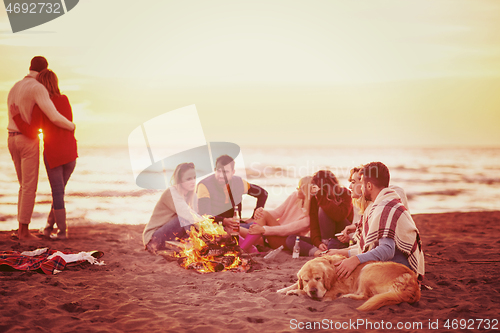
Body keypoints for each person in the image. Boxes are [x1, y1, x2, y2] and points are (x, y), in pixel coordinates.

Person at [6, 56, 75, 240]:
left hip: (11, 137)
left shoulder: (15, 87)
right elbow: (53, 116)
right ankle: (24, 231)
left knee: (23, 186)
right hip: (29, 140)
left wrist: (17, 118)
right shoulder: (39, 88)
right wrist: (71, 126)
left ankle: (28, 227)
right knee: (30, 187)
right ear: (44, 71)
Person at [330, 162, 425, 281]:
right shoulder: (386, 201)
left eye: (363, 184)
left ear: (369, 186)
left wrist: (355, 259)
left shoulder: (385, 207)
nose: (362, 189)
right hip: (397, 266)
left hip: (400, 271)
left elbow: (387, 250)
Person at [286, 170, 353, 256]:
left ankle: (328, 246)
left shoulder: (345, 193)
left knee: (323, 209)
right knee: (291, 239)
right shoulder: (315, 198)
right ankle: (319, 252)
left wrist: (322, 196)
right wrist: (318, 243)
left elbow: (340, 216)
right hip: (323, 240)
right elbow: (314, 226)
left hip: (340, 237)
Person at [196, 155, 268, 233]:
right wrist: (224, 221)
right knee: (256, 233)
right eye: (219, 171)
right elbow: (205, 214)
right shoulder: (204, 185)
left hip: (237, 226)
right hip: (214, 228)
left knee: (264, 223)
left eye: (225, 172)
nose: (221, 175)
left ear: (233, 172)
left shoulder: (240, 183)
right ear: (214, 170)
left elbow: (263, 194)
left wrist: (254, 217)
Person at [143, 163, 203, 253]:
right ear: (180, 180)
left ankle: (192, 245)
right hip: (154, 240)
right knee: (185, 217)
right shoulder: (171, 192)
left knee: (192, 220)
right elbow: (187, 214)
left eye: (194, 177)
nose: (193, 181)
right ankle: (192, 245)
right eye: (188, 179)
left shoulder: (193, 195)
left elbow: (195, 220)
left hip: (172, 239)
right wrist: (207, 226)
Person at [247, 176, 313, 249]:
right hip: (271, 234)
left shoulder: (311, 215)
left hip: (284, 240)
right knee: (238, 229)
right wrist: (260, 212)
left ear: (306, 191)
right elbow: (276, 213)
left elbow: (287, 229)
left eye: (300, 188)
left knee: (262, 218)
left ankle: (242, 249)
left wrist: (264, 229)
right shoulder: (295, 196)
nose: (297, 189)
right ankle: (245, 249)